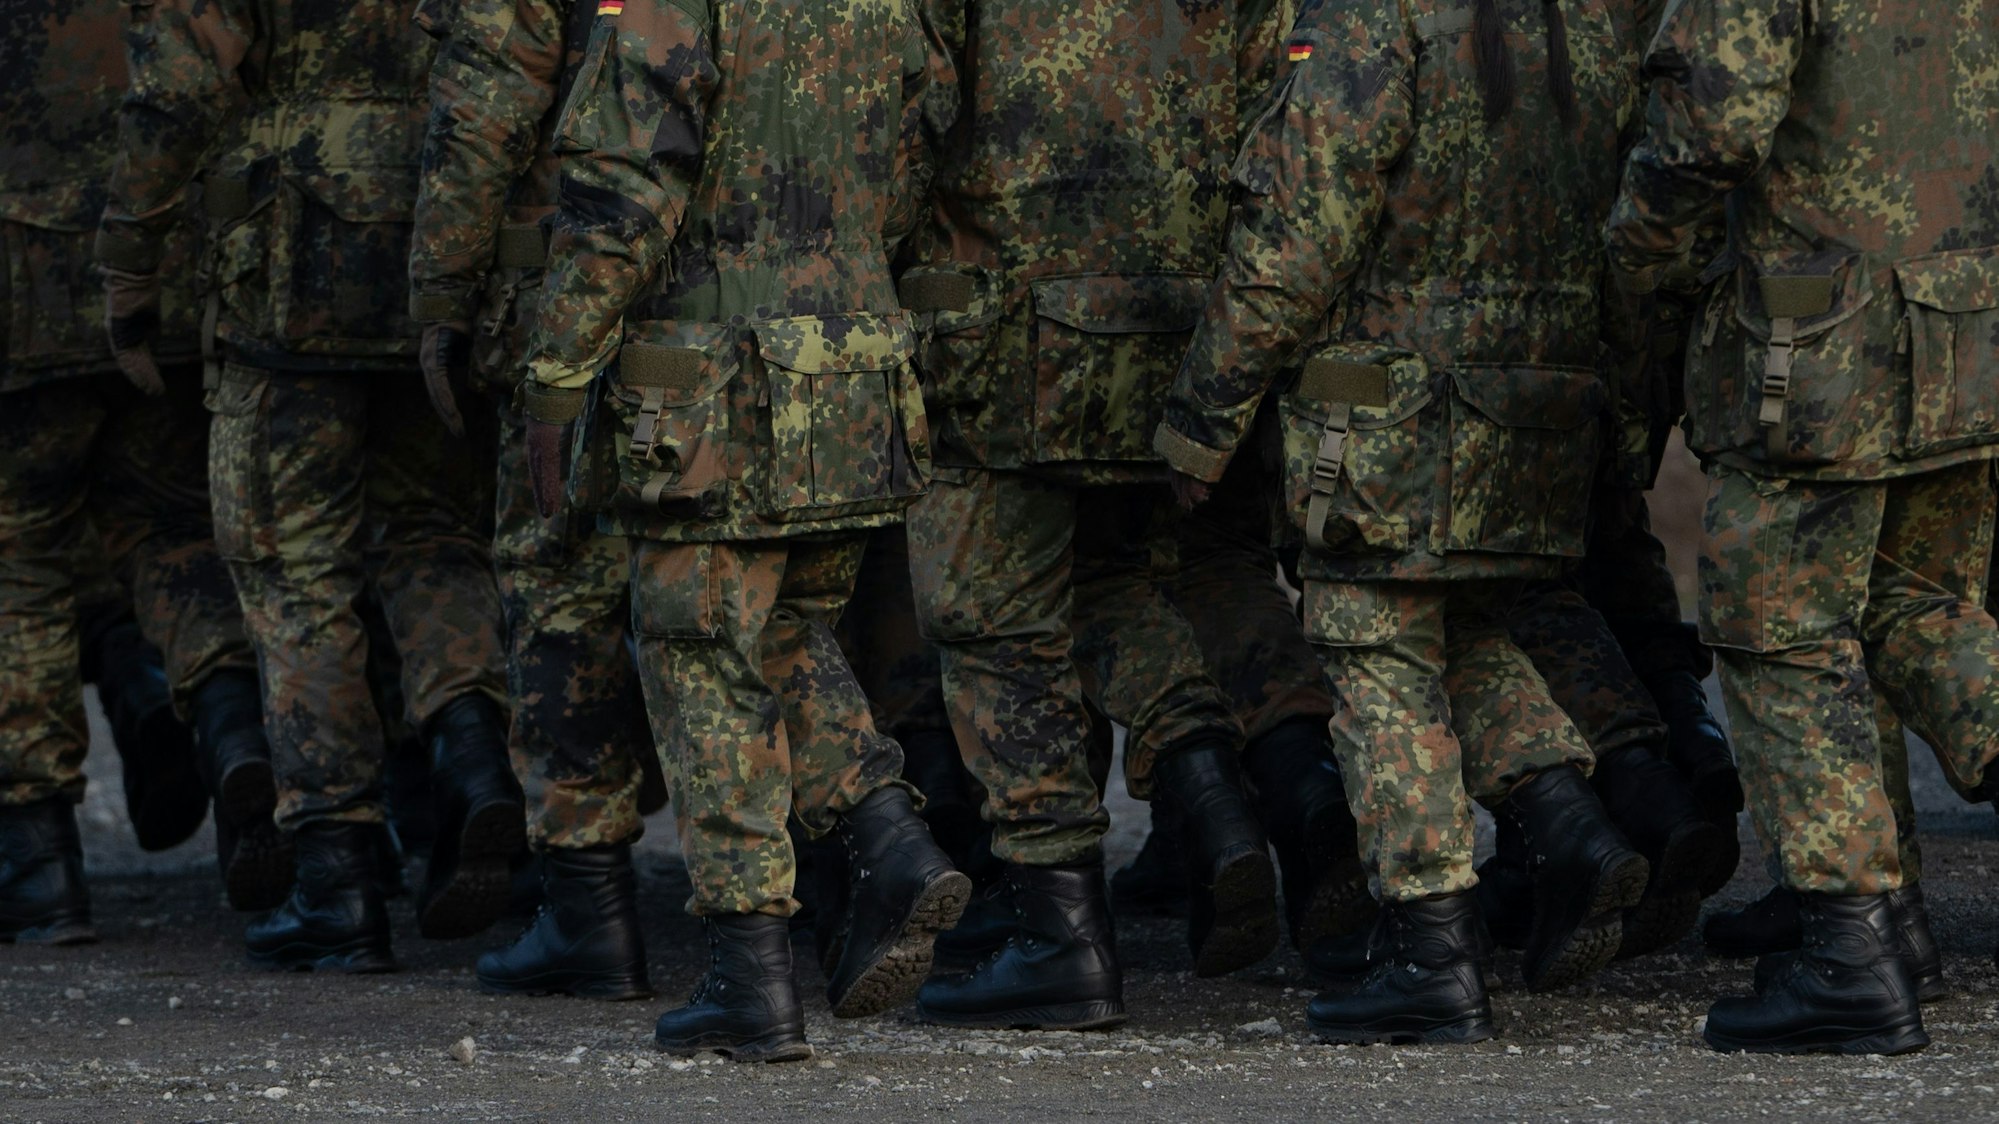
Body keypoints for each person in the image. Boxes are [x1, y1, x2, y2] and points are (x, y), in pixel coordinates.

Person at [1158, 0, 1662, 1042]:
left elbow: (1301, 235)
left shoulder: (1375, 17)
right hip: (1535, 403)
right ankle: (1565, 822)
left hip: (1389, 411)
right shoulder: (1584, 24)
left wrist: (1203, 414)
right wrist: (1621, 415)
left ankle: (1430, 948)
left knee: (1375, 649)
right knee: (1463, 624)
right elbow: (1634, 237)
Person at [523, 0, 968, 1061]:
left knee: (702, 656)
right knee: (783, 633)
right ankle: (888, 835)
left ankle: (749, 973)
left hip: (710, 377)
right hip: (849, 361)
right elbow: (918, 150)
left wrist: (555, 371)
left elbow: (624, 190)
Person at [1606, 0, 1998, 1057]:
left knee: (1778, 626)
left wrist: (1632, 252)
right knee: (1920, 610)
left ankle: (1848, 953)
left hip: (1821, 344)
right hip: (1964, 328)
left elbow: (1712, 123)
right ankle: (1889, 917)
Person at [99, 0, 521, 971]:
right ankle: (473, 759)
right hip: (442, 245)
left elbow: (178, 83)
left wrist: (129, 253)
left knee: (294, 570)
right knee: (435, 538)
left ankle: (338, 878)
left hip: (291, 264)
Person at [901, 0, 1294, 1030]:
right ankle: (1208, 785)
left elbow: (903, 114)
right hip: (1168, 327)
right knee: (1108, 581)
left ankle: (1059, 930)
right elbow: (1280, 131)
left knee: (992, 617)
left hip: (1001, 328)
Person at [0, 0, 283, 942]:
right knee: (177, 530)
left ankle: (38, 858)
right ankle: (235, 730)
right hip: (164, 271)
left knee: (19, 557)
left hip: (25, 277)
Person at [408, 0, 663, 1000]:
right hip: (735, 297)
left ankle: (588, 906)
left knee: (558, 584)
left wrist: (441, 292)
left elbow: (482, 112)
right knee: (734, 585)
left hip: (567, 287)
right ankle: (841, 870)